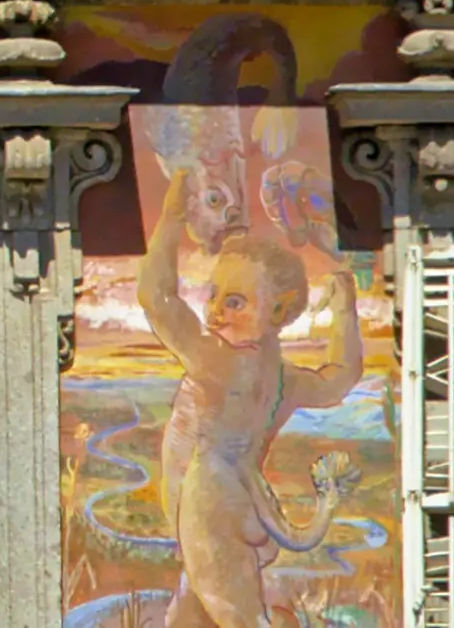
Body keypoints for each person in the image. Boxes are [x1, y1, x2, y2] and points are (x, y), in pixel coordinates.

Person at [139, 141, 360, 628]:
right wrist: (346, 315)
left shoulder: (218, 359)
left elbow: (156, 297)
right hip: (242, 495)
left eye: (235, 301)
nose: (216, 310)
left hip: (211, 499)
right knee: (192, 616)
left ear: (279, 312)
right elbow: (339, 379)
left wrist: (172, 214)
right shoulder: (281, 378)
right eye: (214, 295)